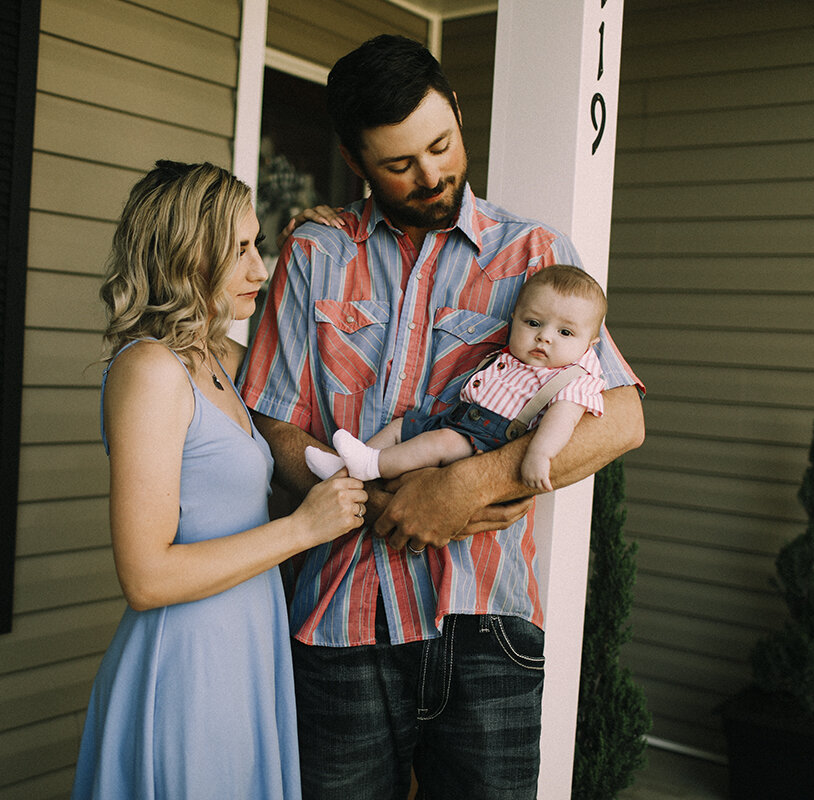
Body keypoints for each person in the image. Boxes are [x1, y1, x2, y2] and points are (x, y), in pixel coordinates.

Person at [239, 36, 645, 799]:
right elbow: (276, 420)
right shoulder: (315, 253)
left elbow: (621, 419)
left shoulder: (536, 254)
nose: (433, 176)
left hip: (485, 623)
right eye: (400, 164)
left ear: (457, 113)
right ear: (354, 161)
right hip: (338, 619)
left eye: (442, 145)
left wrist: (461, 488)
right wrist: (366, 505)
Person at [71, 160, 368, 800]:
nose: (257, 268)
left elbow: (299, 340)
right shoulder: (150, 370)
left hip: (247, 652)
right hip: (187, 665)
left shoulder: (220, 359)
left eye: (257, 246)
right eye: (238, 250)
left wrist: (319, 242)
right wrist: (301, 529)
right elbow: (146, 578)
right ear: (184, 256)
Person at [305, 264, 608, 494]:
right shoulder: (514, 355)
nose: (544, 336)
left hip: (490, 441)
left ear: (590, 344)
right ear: (514, 318)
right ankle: (345, 472)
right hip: (458, 421)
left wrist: (540, 454)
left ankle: (370, 466)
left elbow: (562, 421)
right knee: (401, 427)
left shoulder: (573, 379)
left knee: (441, 442)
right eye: (533, 323)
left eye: (565, 332)